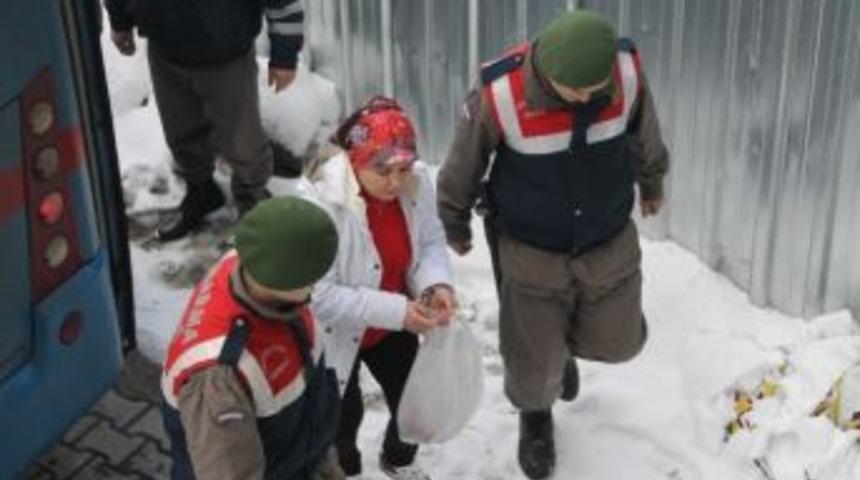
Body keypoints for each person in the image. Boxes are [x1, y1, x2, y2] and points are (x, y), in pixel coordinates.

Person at [436, 10, 670, 480]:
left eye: (595, 88)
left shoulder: (622, 71)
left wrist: (652, 180)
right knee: (533, 361)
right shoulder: (500, 93)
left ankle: (562, 353)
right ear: (547, 74)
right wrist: (454, 221)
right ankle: (535, 418)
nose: (588, 98)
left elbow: (645, 129)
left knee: (621, 342)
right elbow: (463, 162)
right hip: (531, 244)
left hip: (606, 236)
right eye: (575, 91)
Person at [306, 96, 457, 480]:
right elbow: (319, 295)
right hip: (338, 334)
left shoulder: (416, 183)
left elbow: (428, 243)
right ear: (355, 160)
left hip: (394, 324)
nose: (395, 180)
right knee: (343, 416)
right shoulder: (322, 204)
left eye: (403, 168)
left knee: (414, 402)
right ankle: (348, 470)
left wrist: (435, 283)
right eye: (382, 169)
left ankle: (398, 460)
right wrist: (400, 311)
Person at [160, 196, 344, 479]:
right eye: (311, 277)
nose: (314, 288)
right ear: (285, 278)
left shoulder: (250, 261)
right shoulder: (219, 377)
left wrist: (325, 462)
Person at [104, 0, 305, 241]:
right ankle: (201, 192)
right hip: (165, 49)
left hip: (227, 57)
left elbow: (284, 4)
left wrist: (285, 56)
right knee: (181, 132)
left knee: (242, 142)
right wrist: (120, 22)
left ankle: (255, 208)